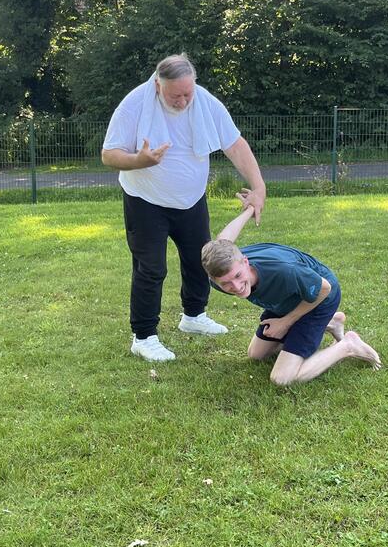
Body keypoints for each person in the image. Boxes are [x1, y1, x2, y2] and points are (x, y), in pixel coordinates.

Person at [102, 54, 266, 362]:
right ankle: (144, 336)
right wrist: (138, 160)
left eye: (187, 93)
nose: (183, 101)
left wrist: (259, 187)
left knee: (199, 260)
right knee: (151, 267)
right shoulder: (134, 104)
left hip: (191, 200)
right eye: (175, 95)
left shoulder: (205, 102)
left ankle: (194, 315)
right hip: (145, 200)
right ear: (157, 85)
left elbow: (235, 145)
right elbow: (109, 154)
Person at [201, 196, 381, 386]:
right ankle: (332, 323)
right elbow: (222, 241)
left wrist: (285, 322)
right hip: (285, 299)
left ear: (245, 261)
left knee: (281, 378)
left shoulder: (284, 271)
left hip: (318, 298)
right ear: (214, 279)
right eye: (226, 283)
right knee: (256, 354)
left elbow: (324, 288)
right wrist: (250, 210)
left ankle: (347, 345)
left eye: (238, 276)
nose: (237, 287)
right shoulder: (221, 266)